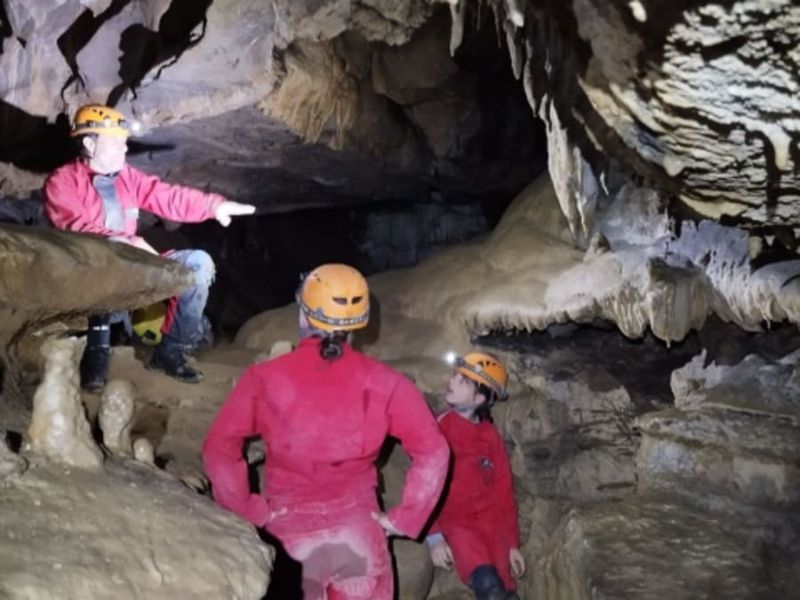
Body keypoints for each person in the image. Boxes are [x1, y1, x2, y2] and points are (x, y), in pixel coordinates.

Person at [202, 263, 450, 599]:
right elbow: (434, 451)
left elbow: (220, 448)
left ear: (305, 316)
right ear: (359, 324)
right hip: (359, 537)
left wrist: (248, 508)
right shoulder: (387, 383)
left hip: (290, 536)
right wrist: (404, 518)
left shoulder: (264, 379)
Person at [44, 104, 255, 389]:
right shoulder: (63, 182)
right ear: (89, 143)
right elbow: (75, 227)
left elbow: (166, 197)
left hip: (132, 266)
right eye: (116, 143)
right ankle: (96, 354)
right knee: (99, 264)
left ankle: (171, 351)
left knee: (198, 263)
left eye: (124, 142)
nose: (124, 149)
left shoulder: (127, 178)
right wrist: (126, 243)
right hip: (87, 272)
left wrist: (214, 206)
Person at [426, 351, 525, 600]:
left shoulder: (490, 436)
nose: (452, 381)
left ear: (480, 398)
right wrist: (435, 538)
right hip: (458, 524)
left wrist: (513, 543)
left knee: (507, 590)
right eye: (456, 375)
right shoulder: (435, 428)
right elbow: (424, 484)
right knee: (489, 587)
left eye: (464, 381)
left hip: (493, 526)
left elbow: (503, 491)